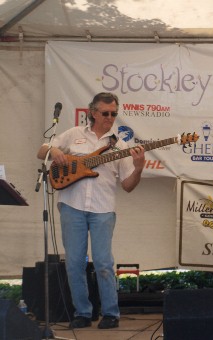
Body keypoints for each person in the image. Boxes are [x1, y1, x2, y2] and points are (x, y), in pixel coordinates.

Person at [37, 92, 145, 329]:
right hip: (71, 206)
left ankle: (110, 314)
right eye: (105, 113)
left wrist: (138, 168)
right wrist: (55, 152)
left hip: (103, 209)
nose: (110, 117)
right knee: (74, 262)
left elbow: (128, 186)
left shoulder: (121, 144)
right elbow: (42, 150)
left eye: (114, 113)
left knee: (104, 262)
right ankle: (83, 312)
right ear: (93, 112)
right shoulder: (74, 134)